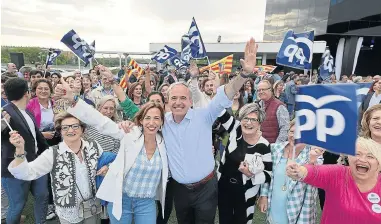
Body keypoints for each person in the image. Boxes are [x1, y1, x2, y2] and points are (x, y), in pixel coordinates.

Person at [118, 37, 259, 224]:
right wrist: (126, 125)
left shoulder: (204, 115)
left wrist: (244, 74)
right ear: (167, 101)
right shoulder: (162, 121)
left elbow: (224, 94)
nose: (178, 102)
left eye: (183, 98)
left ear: (191, 101)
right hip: (180, 189)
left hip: (206, 188)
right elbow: (140, 117)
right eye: (173, 98)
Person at [55, 80, 169, 224]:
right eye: (147, 118)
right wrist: (74, 99)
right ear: (140, 120)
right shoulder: (130, 134)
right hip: (122, 198)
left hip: (146, 203)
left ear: (162, 122)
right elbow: (101, 122)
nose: (152, 123)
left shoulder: (165, 142)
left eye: (156, 118)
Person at [8, 112, 110, 224]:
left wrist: (107, 168)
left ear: (82, 129)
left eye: (75, 126)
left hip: (93, 207)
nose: (70, 130)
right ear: (60, 131)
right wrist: (19, 149)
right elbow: (26, 173)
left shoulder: (94, 146)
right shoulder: (53, 154)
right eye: (65, 127)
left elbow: (108, 163)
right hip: (69, 212)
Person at [286, 137, 381, 224]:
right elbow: (314, 172)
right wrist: (298, 171)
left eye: (370, 156)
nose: (362, 160)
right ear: (349, 157)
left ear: (378, 163)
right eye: (357, 154)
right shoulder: (337, 174)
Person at [1, 78, 49, 224]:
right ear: (26, 93)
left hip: (36, 163)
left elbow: (38, 137)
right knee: (17, 206)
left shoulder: (28, 112)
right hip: (14, 168)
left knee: (42, 195)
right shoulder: (5, 113)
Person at [217, 103, 272, 224]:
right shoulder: (236, 130)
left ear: (259, 123)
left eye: (253, 119)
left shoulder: (264, 145)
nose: (248, 123)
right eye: (245, 118)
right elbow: (220, 111)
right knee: (224, 220)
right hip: (224, 187)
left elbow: (268, 174)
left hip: (245, 193)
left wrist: (251, 174)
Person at [258, 120, 321, 224]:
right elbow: (268, 173)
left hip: (297, 212)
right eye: (292, 132)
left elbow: (315, 180)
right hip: (274, 206)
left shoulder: (312, 155)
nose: (294, 136)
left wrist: (312, 162)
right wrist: (263, 195)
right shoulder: (275, 148)